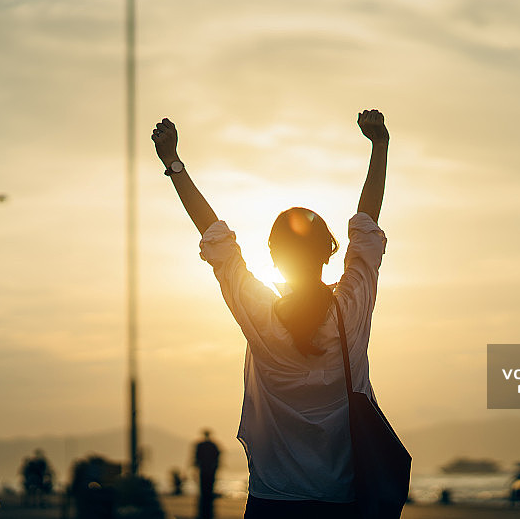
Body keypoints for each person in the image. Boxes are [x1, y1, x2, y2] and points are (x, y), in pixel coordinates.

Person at [152, 109, 390, 519]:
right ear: (329, 251)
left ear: (274, 259)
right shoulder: (350, 309)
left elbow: (215, 238)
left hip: (272, 499)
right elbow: (366, 226)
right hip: (343, 499)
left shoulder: (260, 315)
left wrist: (174, 163)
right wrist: (380, 145)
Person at [193, 429, 221, 519]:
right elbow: (217, 457)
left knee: (204, 489)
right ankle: (207, 509)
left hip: (205, 470)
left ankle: (204, 510)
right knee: (208, 489)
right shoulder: (213, 445)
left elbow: (196, 458)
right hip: (209, 470)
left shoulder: (201, 445)